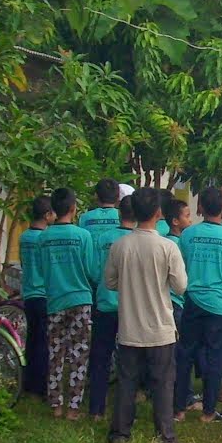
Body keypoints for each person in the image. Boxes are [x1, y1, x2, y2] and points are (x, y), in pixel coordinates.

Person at [104, 188, 187, 443]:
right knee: (163, 383)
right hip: (160, 328)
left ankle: (120, 434)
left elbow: (109, 281)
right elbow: (181, 286)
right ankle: (165, 436)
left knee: (127, 382)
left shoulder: (120, 246)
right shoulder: (167, 247)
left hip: (130, 327)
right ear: (159, 213)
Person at [176, 186, 222, 423]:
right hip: (220, 304)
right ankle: (208, 411)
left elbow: (181, 267)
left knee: (185, 354)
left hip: (192, 299)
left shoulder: (188, 235)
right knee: (215, 356)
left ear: (200, 207)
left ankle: (180, 408)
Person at [41, 188, 98, 419]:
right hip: (80, 299)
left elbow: (44, 269)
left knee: (55, 354)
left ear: (53, 210)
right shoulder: (83, 236)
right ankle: (73, 409)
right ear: (74, 209)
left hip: (55, 300)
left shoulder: (43, 237)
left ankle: (56, 406)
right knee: (79, 353)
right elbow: (91, 270)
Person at [80, 178, 127, 419]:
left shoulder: (86, 221)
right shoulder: (128, 224)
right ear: (118, 197)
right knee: (130, 358)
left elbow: (92, 267)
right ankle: (128, 406)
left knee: (100, 353)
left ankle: (96, 408)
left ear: (96, 197)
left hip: (103, 296)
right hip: (130, 304)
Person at [17, 195, 54, 399]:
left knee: (32, 340)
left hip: (29, 293)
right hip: (44, 294)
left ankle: (29, 382)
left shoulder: (24, 237)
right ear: (48, 215)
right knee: (43, 343)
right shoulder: (44, 239)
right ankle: (40, 386)